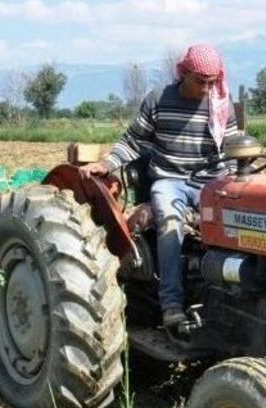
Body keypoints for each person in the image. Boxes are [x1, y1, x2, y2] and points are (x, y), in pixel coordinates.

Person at [80, 44, 240, 328]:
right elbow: (133, 140)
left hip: (211, 182)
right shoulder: (159, 100)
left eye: (211, 83)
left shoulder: (221, 105)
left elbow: (233, 152)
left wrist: (238, 187)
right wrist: (107, 164)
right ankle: (171, 304)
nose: (206, 89)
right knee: (169, 221)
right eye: (200, 82)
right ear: (184, 73)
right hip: (171, 181)